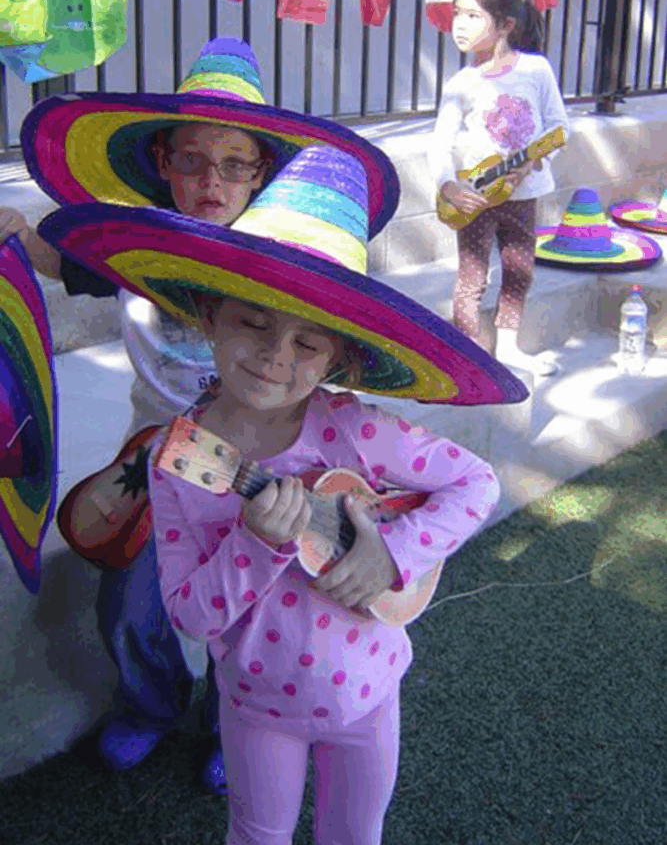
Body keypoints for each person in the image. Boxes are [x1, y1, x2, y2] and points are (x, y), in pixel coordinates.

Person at [37, 140, 526, 845]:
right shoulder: (181, 462)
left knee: (355, 835)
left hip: (369, 697)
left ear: (339, 354)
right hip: (255, 707)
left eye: (308, 343)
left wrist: (390, 553)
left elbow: (474, 482)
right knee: (257, 835)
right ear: (209, 317)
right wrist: (256, 546)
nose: (274, 356)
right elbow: (193, 616)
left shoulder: (356, 429)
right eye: (252, 323)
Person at [0, 40, 401, 791]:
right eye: (190, 160)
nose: (210, 182)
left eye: (235, 164)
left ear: (263, 171)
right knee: (127, 606)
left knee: (258, 618)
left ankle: (236, 722)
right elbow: (51, 256)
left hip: (271, 474)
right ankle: (149, 705)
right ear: (160, 160)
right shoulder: (135, 244)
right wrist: (15, 232)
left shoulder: (294, 253)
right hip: (155, 470)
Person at [429, 0, 570, 377]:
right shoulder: (461, 83)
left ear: (506, 24)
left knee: (519, 268)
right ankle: (468, 353)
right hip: (476, 197)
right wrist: (448, 185)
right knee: (471, 277)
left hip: (524, 197)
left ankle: (507, 345)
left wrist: (532, 163)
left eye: (473, 16)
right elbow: (440, 142)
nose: (459, 24)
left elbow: (560, 127)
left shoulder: (536, 71)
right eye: (457, 12)